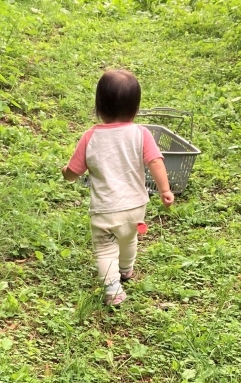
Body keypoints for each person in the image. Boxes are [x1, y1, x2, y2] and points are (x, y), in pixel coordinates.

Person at [62, 69, 174, 306]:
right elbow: (155, 161)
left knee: (105, 250)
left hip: (105, 210)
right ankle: (126, 270)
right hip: (135, 206)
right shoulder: (141, 133)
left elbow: (74, 171)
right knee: (129, 238)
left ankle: (113, 290)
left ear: (99, 107)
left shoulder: (90, 137)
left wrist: (66, 173)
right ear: (135, 108)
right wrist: (165, 189)